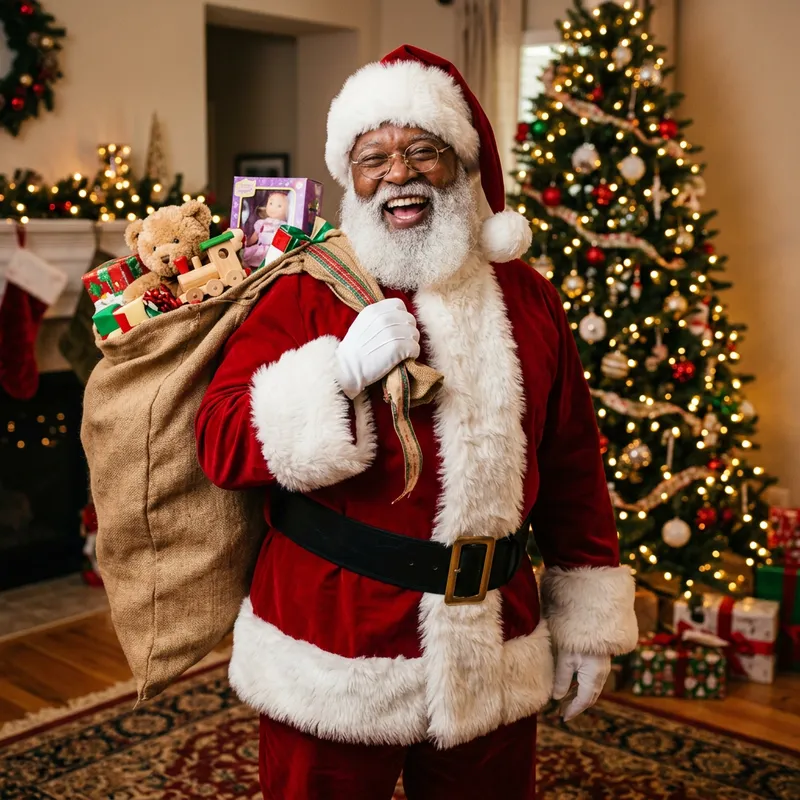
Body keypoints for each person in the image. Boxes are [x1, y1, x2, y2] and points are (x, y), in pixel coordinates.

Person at [195, 45, 637, 800]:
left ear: (462, 163)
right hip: (332, 648)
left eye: (421, 151)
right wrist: (335, 374)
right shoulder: (304, 295)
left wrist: (588, 622)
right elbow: (220, 441)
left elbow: (572, 465)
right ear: (351, 177)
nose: (397, 173)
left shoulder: (528, 299)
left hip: (493, 640)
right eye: (373, 158)